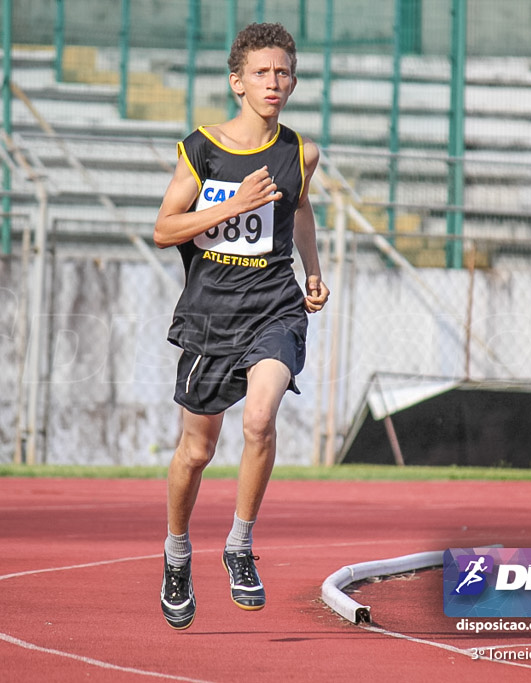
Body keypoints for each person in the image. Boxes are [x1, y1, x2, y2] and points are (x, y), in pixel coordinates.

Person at [152, 22, 329, 630]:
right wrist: (232, 205)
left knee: (259, 419)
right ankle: (177, 553)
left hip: (274, 307)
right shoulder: (201, 148)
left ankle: (239, 544)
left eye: (283, 72)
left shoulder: (300, 152)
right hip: (210, 313)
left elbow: (300, 208)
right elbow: (164, 229)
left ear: (294, 80)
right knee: (197, 450)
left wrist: (313, 271)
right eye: (261, 73)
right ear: (238, 83)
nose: (273, 82)